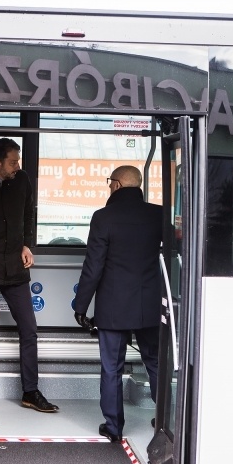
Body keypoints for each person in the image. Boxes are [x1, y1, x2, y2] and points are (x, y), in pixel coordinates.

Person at [72, 165, 163, 442]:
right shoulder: (158, 214)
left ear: (117, 185)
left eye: (110, 182)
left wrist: (80, 306)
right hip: (149, 305)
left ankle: (114, 428)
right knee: (154, 361)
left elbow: (93, 267)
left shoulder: (104, 217)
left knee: (112, 367)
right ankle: (164, 420)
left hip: (113, 307)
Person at [0, 138, 58, 415]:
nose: (18, 166)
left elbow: (28, 215)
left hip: (16, 268)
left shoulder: (21, 180)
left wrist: (27, 245)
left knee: (29, 329)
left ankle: (30, 392)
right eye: (13, 162)